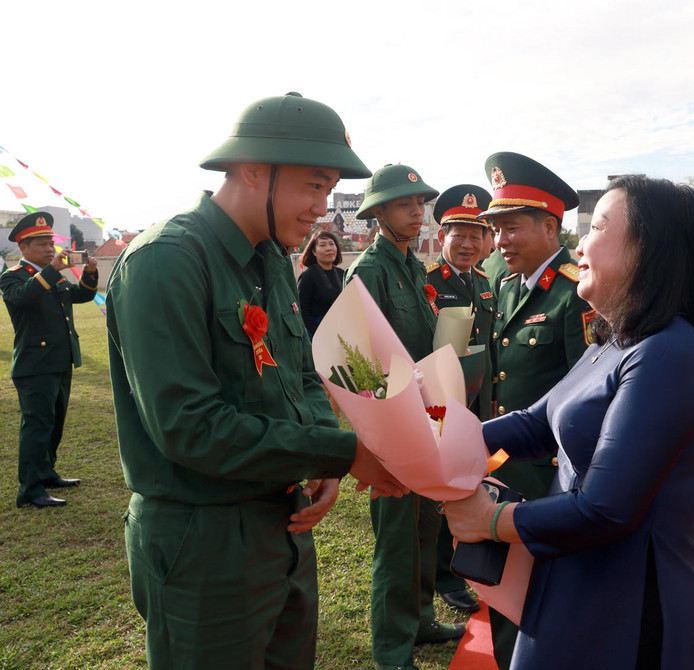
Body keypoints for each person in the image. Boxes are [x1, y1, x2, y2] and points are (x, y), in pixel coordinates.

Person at [106, 92, 407, 670]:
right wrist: (341, 452)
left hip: (282, 522)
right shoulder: (167, 259)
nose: (323, 207)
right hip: (204, 537)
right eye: (314, 186)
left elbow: (299, 373)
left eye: (326, 189)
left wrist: (321, 461)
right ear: (252, 171)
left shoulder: (270, 256)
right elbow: (189, 427)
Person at [445, 175, 694, 669]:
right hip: (573, 580)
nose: (578, 242)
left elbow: (605, 509)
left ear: (651, 250)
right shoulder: (617, 338)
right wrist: (433, 448)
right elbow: (535, 424)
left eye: (598, 226)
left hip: (629, 610)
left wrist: (491, 520)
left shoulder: (670, 352)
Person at [345, 164, 464, 670]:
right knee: (395, 542)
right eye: (404, 205)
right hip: (392, 425)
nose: (419, 213)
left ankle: (419, 622)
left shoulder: (413, 266)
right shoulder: (369, 271)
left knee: (423, 527)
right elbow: (356, 358)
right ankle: (391, 651)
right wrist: (381, 433)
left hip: (428, 414)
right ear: (377, 214)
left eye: (421, 203)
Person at [477, 151, 593, 668]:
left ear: (551, 226)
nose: (500, 241)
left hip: (551, 479)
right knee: (505, 597)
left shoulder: (576, 293)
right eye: (496, 229)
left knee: (550, 607)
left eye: (511, 228)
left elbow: (590, 398)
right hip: (503, 467)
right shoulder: (505, 284)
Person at [427, 184, 495, 614]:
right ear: (441, 239)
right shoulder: (427, 282)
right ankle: (443, 576)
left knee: (471, 486)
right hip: (436, 409)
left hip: (477, 408)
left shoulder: (487, 284)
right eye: (459, 235)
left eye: (477, 234)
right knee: (437, 495)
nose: (468, 243)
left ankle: (462, 564)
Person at [1, 212, 97, 508]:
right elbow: (24, 298)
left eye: (50, 243)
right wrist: (53, 271)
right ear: (24, 248)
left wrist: (91, 273)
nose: (49, 249)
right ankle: (29, 489)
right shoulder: (12, 276)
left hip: (59, 360)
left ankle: (46, 473)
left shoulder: (51, 275)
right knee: (37, 425)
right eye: (42, 244)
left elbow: (79, 296)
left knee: (54, 423)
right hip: (34, 366)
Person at [297, 230, 344, 338]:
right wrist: (321, 334)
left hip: (341, 332)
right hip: (317, 335)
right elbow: (302, 311)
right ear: (314, 251)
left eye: (332, 244)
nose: (329, 248)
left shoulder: (342, 273)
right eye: (322, 245)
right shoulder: (307, 277)